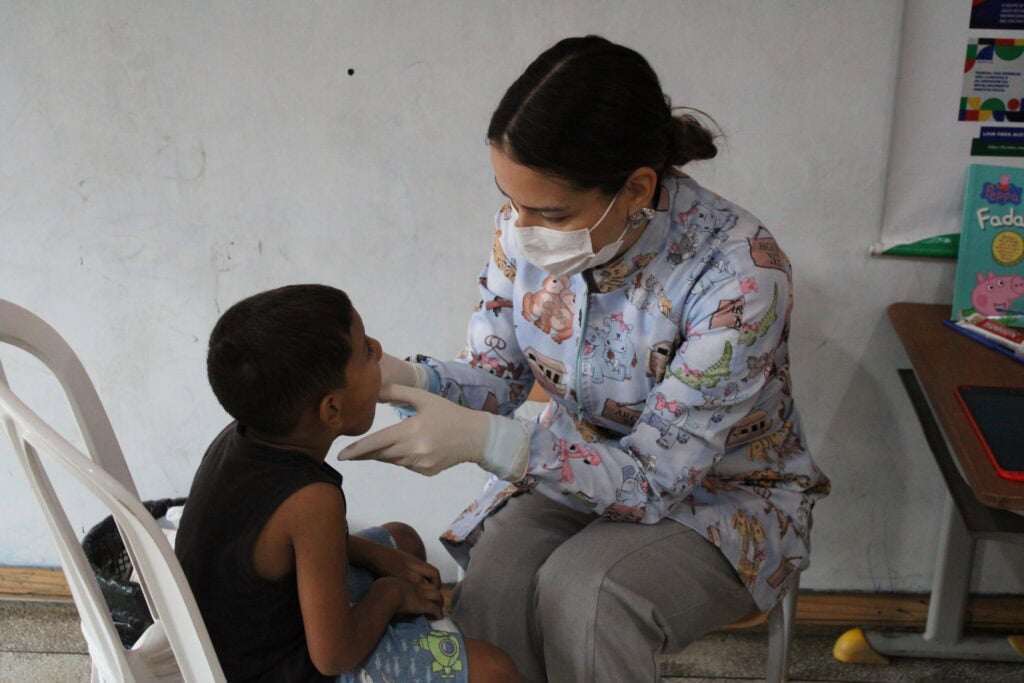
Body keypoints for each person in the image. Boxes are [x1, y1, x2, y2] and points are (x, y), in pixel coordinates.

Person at [340, 35, 830, 682]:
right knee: (498, 577)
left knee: (588, 592)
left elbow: (656, 477)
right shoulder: (524, 231)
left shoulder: (738, 277)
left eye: (548, 211)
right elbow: (498, 376)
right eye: (510, 200)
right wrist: (406, 378)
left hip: (727, 495)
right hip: (578, 463)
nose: (518, 226)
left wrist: (492, 442)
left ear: (636, 188)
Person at [174, 284, 518, 682]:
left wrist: (375, 556)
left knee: (401, 540)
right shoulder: (311, 500)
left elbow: (279, 547)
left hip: (239, 632)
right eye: (365, 352)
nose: (377, 346)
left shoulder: (243, 434)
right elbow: (333, 657)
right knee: (495, 669)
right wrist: (389, 594)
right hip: (280, 668)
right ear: (332, 408)